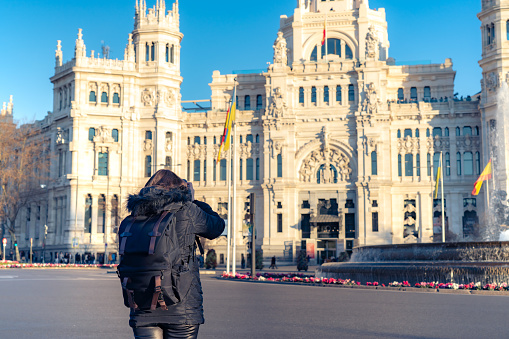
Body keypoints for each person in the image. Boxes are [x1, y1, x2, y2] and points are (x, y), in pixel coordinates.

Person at [126, 169, 225, 339]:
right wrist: (193, 200)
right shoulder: (187, 210)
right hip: (182, 308)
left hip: (143, 305)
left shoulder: (136, 214)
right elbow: (216, 226)